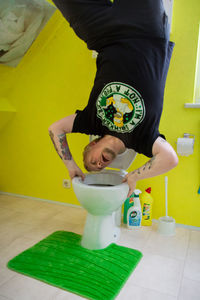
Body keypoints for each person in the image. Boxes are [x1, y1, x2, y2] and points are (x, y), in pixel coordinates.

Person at [48, 0, 178, 197]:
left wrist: (71, 165)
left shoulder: (92, 122)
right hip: (147, 31)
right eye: (100, 168)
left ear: (92, 144)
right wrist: (134, 176)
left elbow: (55, 129)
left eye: (92, 162)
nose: (99, 164)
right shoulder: (142, 139)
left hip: (104, 37)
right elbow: (171, 158)